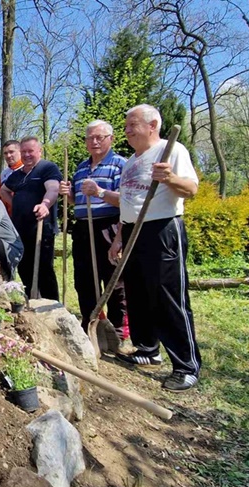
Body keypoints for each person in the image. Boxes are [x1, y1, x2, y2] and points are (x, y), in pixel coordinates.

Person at [109, 104, 201, 392]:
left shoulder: (171, 150)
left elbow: (192, 189)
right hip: (132, 231)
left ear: (153, 125)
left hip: (161, 228)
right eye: (126, 125)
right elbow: (128, 203)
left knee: (167, 297)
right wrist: (119, 237)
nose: (127, 130)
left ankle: (186, 366)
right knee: (137, 293)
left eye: (132, 124)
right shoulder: (131, 162)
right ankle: (147, 349)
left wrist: (170, 178)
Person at [59, 120, 128, 340]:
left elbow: (127, 200)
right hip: (83, 228)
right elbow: (77, 201)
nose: (94, 142)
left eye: (99, 137)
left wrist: (98, 192)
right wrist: (68, 194)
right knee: (84, 279)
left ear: (111, 139)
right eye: (90, 138)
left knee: (114, 279)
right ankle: (92, 324)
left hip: (109, 226)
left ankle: (119, 330)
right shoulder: (81, 168)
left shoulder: (121, 165)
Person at [0, 136, 62, 299]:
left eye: (30, 151)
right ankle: (31, 300)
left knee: (44, 269)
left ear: (39, 151)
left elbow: (53, 189)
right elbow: (3, 190)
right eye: (24, 152)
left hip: (41, 228)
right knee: (24, 268)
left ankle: (51, 304)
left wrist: (45, 205)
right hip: (20, 230)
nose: (27, 155)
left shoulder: (47, 168)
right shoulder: (17, 175)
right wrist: (16, 204)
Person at [0, 140, 23, 215]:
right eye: (5, 153)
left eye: (11, 152)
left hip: (23, 213)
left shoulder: (26, 170)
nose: (8, 156)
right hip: (7, 215)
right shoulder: (4, 173)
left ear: (20, 152)